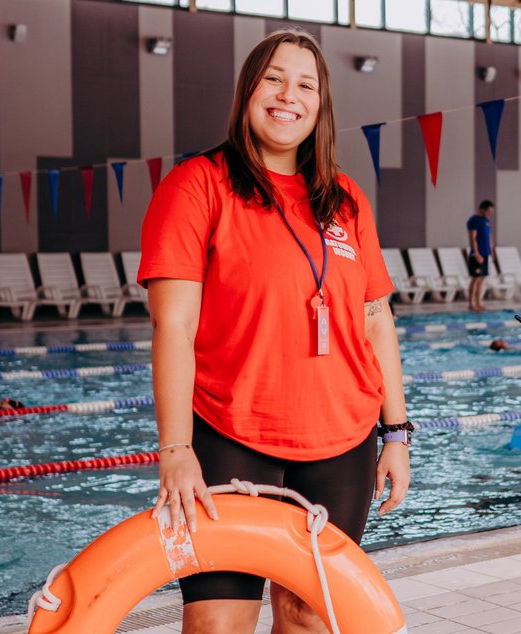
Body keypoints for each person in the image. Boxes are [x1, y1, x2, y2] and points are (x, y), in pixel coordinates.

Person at [138, 29, 411, 634]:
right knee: (216, 621)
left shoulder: (345, 198)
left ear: (321, 105)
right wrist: (176, 450)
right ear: (248, 91)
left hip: (341, 442)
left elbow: (375, 318)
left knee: (310, 616)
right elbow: (173, 324)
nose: (290, 95)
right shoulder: (197, 185)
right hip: (230, 432)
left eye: (306, 84)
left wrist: (396, 432)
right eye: (274, 79)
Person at [466, 199, 495, 312]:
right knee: (475, 279)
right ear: (482, 209)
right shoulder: (474, 220)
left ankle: (478, 302)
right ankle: (471, 304)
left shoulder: (486, 221)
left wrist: (492, 251)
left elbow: (489, 236)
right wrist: (476, 253)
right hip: (477, 254)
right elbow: (472, 238)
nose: (490, 214)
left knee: (481, 280)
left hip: (485, 253)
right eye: (488, 211)